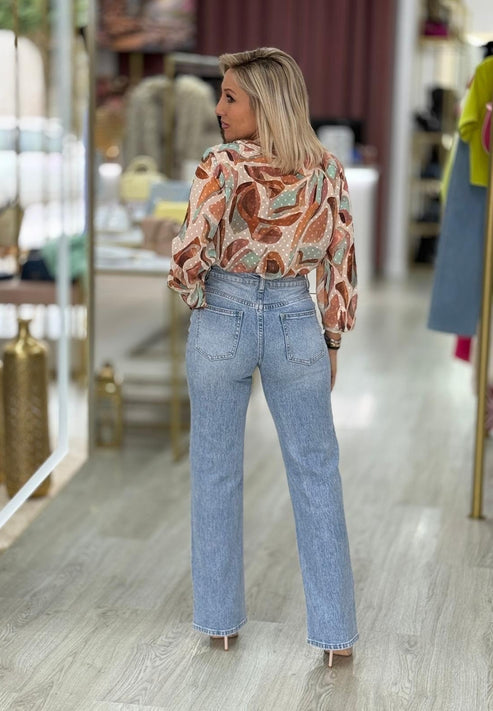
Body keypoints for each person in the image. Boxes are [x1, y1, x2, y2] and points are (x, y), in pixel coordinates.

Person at [167, 47, 358, 666]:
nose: (218, 109)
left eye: (230, 97)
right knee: (316, 471)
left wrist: (203, 301)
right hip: (296, 317)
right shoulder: (326, 170)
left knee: (215, 472)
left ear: (265, 103)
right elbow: (340, 263)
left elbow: (188, 257)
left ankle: (220, 624)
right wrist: (331, 339)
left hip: (221, 315)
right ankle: (336, 637)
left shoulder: (220, 166)